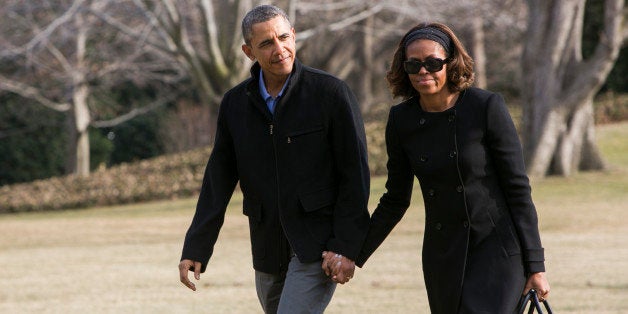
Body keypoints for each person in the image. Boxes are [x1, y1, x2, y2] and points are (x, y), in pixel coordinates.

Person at [323, 22, 550, 313]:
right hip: (443, 255)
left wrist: (536, 266)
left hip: (497, 251)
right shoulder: (401, 120)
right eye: (413, 64)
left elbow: (518, 190)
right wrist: (354, 253)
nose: (423, 71)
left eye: (432, 62)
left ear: (450, 63)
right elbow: (394, 199)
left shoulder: (486, 107)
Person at [177, 4, 370, 314]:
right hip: (267, 246)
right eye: (266, 43)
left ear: (293, 36)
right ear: (248, 51)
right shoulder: (235, 104)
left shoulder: (331, 94)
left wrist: (346, 247)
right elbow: (219, 179)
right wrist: (197, 245)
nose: (279, 49)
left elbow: (355, 177)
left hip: (317, 246)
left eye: (283, 37)